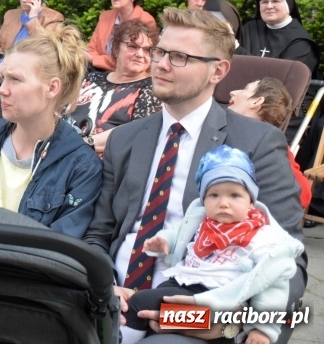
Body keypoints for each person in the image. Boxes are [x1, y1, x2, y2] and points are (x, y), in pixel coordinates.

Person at [82, 8, 305, 344]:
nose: (160, 63)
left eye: (179, 57)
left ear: (219, 70)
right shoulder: (125, 139)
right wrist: (103, 286)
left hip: (195, 306)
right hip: (112, 301)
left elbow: (288, 259)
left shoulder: (255, 142)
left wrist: (234, 323)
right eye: (160, 52)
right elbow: (99, 233)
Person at [124, 145, 303, 344]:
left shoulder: (263, 238)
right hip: (181, 285)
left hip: (216, 300)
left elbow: (272, 285)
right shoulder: (200, 221)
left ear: (251, 201)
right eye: (214, 195)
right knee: (155, 314)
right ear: (203, 200)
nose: (223, 203)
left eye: (234, 195)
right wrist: (164, 241)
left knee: (140, 305)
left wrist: (262, 329)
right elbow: (178, 233)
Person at [0, 25, 102, 238]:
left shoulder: (80, 166)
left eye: (15, 79)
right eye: (3, 77)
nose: (1, 89)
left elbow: (61, 249)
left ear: (52, 88)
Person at [72, 20, 161, 155]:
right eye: (132, 46)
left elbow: (137, 132)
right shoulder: (92, 78)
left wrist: (83, 145)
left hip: (104, 167)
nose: (140, 54)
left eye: (148, 50)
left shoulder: (151, 90)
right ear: (116, 49)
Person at [0, 0, 63, 119]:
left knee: (14, 85)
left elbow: (48, 46)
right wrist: (1, 63)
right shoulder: (11, 15)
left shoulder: (54, 18)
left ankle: (11, 123)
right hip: (5, 63)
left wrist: (32, 18)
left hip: (32, 67)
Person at [228, 77, 312, 209]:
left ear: (256, 101)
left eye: (245, 89)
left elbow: (302, 194)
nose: (233, 92)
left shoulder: (271, 145)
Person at [241, 0, 319, 75]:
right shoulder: (249, 29)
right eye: (264, 2)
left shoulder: (300, 42)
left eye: (275, 1)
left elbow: (286, 80)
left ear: (288, 5)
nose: (269, 6)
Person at [87, 0, 156, 72]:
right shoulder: (105, 17)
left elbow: (133, 59)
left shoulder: (145, 20)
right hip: (97, 70)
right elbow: (91, 48)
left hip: (128, 75)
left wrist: (96, 59)